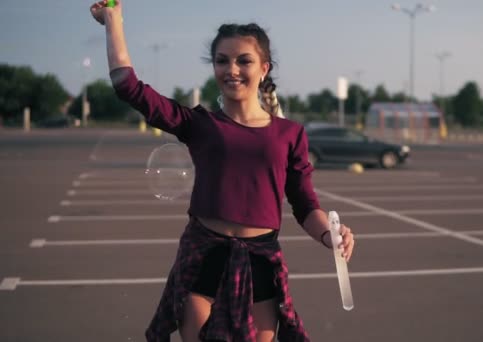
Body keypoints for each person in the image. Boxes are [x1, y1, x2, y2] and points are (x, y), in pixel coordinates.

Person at [90, 1, 355, 341]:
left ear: (264, 68)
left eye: (244, 60)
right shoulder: (200, 124)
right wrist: (113, 20)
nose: (232, 69)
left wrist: (329, 235)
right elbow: (128, 86)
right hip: (204, 258)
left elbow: (305, 206)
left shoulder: (290, 134)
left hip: (260, 261)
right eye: (222, 60)